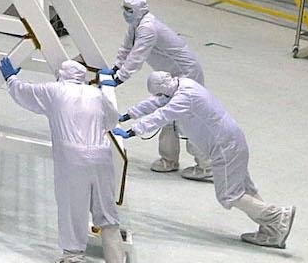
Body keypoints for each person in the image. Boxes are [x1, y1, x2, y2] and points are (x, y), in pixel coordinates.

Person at [116, 71, 294, 249]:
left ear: (163, 88)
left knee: (229, 195)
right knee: (246, 188)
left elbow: (162, 114)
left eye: (159, 93)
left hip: (223, 147)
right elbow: (157, 103)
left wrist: (132, 131)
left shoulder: (185, 97)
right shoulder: (183, 85)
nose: (159, 97)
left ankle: (278, 216)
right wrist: (127, 115)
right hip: (233, 140)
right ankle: (272, 231)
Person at [1, 57, 131, 263]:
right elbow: (111, 121)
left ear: (62, 75)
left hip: (73, 159)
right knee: (106, 208)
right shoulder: (97, 94)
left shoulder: (55, 91)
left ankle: (74, 262)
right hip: (101, 156)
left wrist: (11, 78)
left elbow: (24, 93)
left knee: (74, 208)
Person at [109, 0, 205, 174]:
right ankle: (169, 160)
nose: (125, 14)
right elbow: (126, 48)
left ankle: (207, 166)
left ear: (139, 11)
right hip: (171, 75)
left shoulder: (148, 28)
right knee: (168, 120)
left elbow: (137, 56)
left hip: (187, 74)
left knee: (187, 120)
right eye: (124, 9)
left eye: (129, 10)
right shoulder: (136, 25)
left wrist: (119, 79)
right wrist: (115, 68)